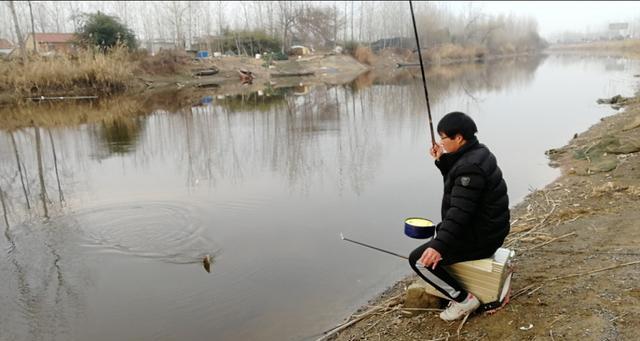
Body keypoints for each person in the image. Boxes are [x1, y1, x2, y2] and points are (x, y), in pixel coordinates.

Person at [408, 111, 510, 321]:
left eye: (444, 137)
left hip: (483, 238)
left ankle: (464, 299)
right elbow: (462, 187)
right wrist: (443, 161)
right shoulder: (478, 153)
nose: (441, 142)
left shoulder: (468, 168)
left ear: (459, 138)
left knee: (418, 260)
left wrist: (438, 246)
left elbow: (460, 213)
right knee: (438, 236)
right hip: (488, 229)